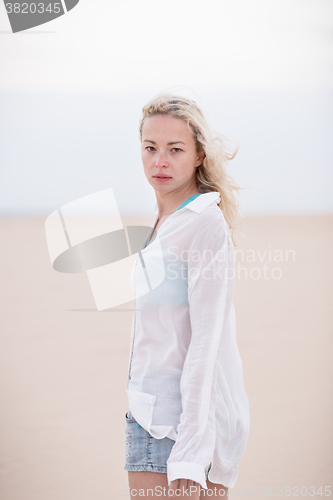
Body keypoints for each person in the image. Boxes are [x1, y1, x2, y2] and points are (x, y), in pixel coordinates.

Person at [124, 92, 250, 499]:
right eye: (150, 148)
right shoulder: (167, 222)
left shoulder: (203, 223)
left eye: (175, 149)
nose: (160, 161)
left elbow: (205, 344)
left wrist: (191, 453)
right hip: (147, 413)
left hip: (179, 430)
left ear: (198, 155)